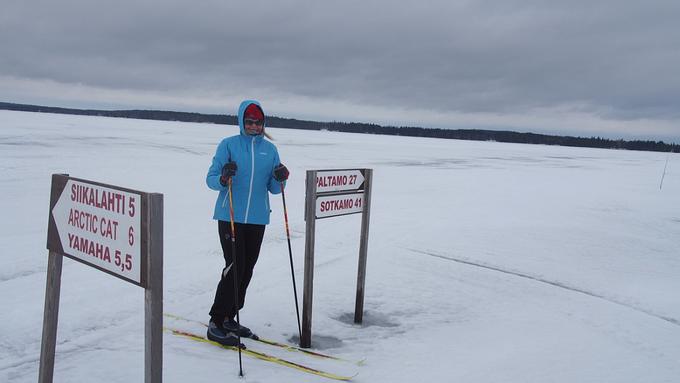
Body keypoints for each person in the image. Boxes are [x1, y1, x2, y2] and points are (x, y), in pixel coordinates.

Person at [205, 100, 289, 346]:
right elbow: (211, 180)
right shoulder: (229, 145)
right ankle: (216, 320)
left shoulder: (270, 150)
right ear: (242, 121)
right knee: (235, 265)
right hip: (230, 215)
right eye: (249, 121)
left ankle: (231, 316)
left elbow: (274, 188)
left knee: (247, 268)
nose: (254, 125)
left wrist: (281, 177)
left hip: (257, 218)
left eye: (258, 121)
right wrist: (224, 176)